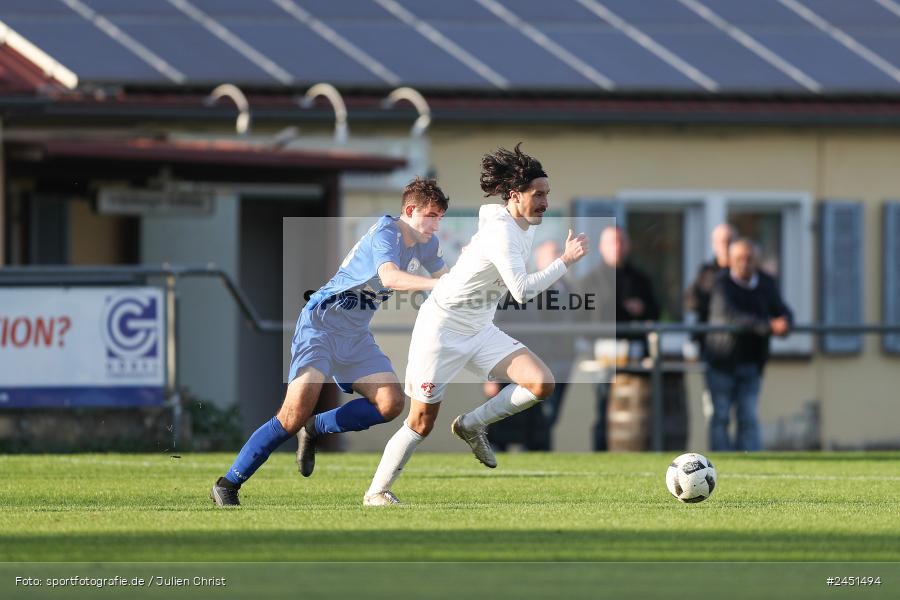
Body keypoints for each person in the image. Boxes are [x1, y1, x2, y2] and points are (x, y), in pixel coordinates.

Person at [362, 143, 589, 505]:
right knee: (420, 422)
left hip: (480, 328)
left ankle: (472, 424)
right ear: (515, 195)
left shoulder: (521, 224)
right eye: (539, 194)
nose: (545, 201)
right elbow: (522, 290)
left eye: (548, 193)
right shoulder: (503, 231)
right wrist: (564, 261)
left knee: (541, 382)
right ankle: (376, 492)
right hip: (442, 329)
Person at [210, 178, 449, 506]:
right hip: (320, 327)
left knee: (391, 403)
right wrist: (438, 286)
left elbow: (448, 277)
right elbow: (392, 277)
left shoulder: (427, 242)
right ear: (410, 211)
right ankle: (228, 484)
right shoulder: (387, 233)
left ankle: (316, 427)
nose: (436, 224)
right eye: (432, 216)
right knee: (291, 415)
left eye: (440, 217)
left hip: (356, 336)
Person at [487, 239, 580, 451]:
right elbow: (499, 328)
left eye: (560, 253)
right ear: (539, 261)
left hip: (562, 362)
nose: (559, 259)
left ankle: (537, 452)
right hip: (528, 364)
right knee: (522, 418)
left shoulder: (571, 288)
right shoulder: (522, 290)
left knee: (548, 417)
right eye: (552, 255)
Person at [704, 238, 793, 451]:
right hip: (722, 360)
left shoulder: (766, 283)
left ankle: (750, 462)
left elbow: (781, 309)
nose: (744, 263)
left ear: (757, 261)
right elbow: (731, 316)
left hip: (752, 361)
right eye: (739, 259)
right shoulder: (720, 283)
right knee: (721, 416)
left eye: (749, 258)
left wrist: (786, 322)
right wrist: (769, 326)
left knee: (748, 416)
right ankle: (721, 461)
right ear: (729, 261)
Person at [580, 225, 659, 450]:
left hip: (634, 351)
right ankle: (602, 451)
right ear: (602, 247)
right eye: (612, 242)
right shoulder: (591, 281)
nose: (617, 246)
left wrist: (641, 309)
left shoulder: (640, 278)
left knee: (635, 405)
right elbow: (583, 318)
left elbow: (655, 311)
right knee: (604, 406)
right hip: (604, 352)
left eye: (621, 241)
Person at [685, 223, 736, 350]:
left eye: (729, 241)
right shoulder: (706, 272)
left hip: (736, 341)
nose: (725, 246)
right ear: (714, 244)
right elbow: (690, 302)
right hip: (709, 340)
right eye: (721, 242)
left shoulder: (743, 274)